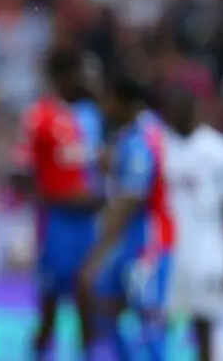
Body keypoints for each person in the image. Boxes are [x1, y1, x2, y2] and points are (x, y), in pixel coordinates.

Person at [12, 47, 105, 360]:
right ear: (64, 75)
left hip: (88, 221)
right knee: (50, 305)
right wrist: (56, 196)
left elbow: (100, 166)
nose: (86, 79)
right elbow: (21, 173)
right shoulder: (40, 116)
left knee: (87, 300)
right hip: (56, 221)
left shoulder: (93, 114)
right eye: (80, 72)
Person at [81, 74, 173, 361]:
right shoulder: (135, 133)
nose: (105, 107)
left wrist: (98, 252)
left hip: (147, 241)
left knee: (148, 316)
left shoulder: (144, 136)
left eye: (109, 100)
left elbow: (131, 199)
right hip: (131, 239)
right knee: (107, 303)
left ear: (123, 101)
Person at [162, 86, 223, 361]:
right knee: (162, 322)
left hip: (207, 250)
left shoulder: (217, 150)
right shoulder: (163, 147)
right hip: (170, 248)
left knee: (205, 324)